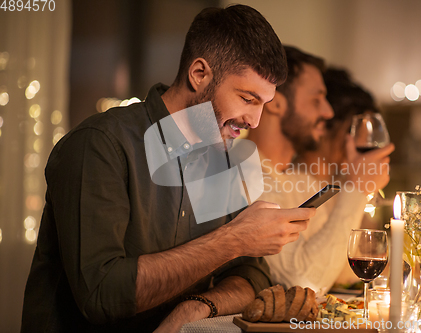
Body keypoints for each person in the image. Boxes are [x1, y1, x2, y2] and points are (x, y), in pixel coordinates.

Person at [21, 6, 316, 333]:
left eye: (264, 103)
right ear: (199, 74)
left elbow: (252, 275)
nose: (255, 121)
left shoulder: (221, 159)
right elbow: (101, 295)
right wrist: (234, 239)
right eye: (248, 99)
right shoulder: (100, 145)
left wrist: (197, 307)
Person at [247, 48, 394, 294]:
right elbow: (304, 282)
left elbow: (343, 271)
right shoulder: (248, 175)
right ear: (276, 103)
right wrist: (356, 188)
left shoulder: (282, 178)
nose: (327, 113)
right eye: (316, 100)